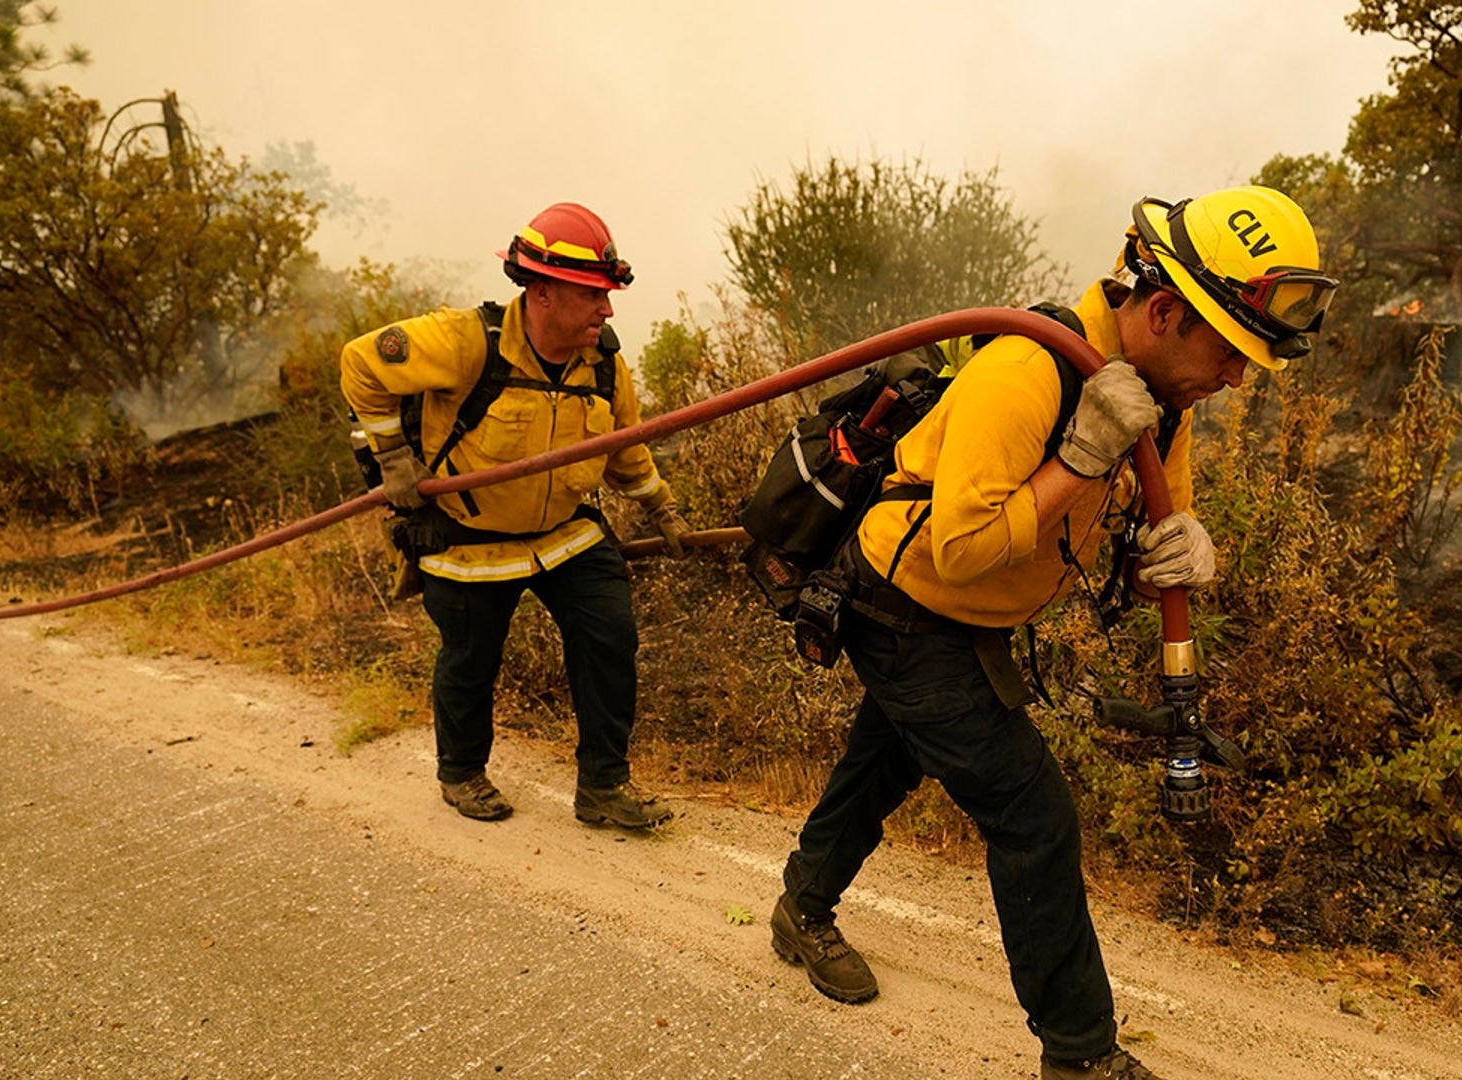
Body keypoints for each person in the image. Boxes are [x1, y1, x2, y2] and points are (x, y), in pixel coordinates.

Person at [769, 186, 1336, 1079]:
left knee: (885, 761)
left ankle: (801, 906)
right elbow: (959, 552)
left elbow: (1159, 524)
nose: (1235, 378)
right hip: (904, 610)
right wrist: (1080, 457)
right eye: (1231, 352)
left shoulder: (1157, 399)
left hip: (973, 616)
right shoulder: (1026, 373)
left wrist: (1182, 553)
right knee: (1033, 816)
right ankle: (1080, 1056)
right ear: (1160, 312)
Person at [339, 202, 691, 830]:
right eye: (593, 296)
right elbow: (361, 361)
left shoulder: (604, 362)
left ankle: (604, 787)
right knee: (472, 659)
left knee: (610, 638)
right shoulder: (462, 340)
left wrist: (660, 505)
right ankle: (462, 773)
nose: (607, 311)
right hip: (468, 539)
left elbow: (622, 444)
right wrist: (393, 457)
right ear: (543, 292)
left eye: (608, 296)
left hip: (564, 532)